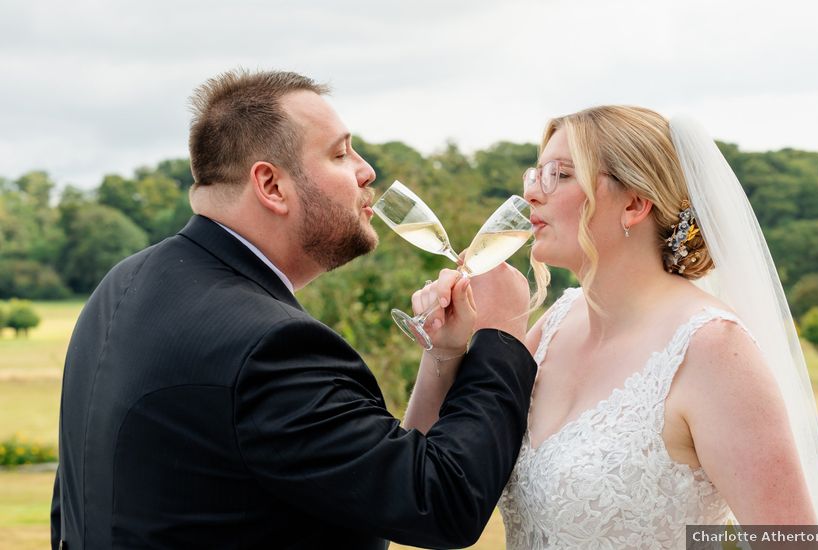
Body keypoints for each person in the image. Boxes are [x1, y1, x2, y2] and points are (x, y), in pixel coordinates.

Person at [50, 69, 537, 550]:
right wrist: (502, 336)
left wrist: (443, 356)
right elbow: (443, 502)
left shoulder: (121, 285)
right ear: (271, 186)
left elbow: (383, 479)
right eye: (341, 153)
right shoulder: (270, 347)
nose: (367, 171)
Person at [408, 106, 818, 549]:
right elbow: (422, 484)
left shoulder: (712, 349)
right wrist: (443, 352)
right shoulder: (553, 327)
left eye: (560, 175)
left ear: (635, 204)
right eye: (535, 174)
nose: (531, 197)